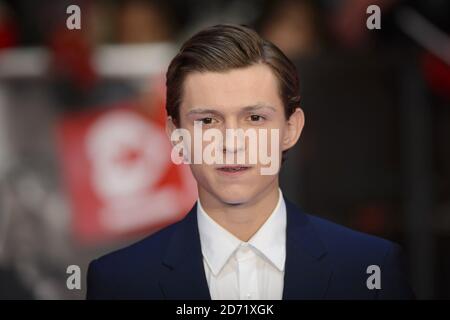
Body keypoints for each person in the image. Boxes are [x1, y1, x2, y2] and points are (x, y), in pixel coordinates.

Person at [86, 24, 414, 300]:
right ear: (176, 135)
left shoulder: (370, 268)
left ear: (291, 129)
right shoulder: (120, 282)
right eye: (208, 121)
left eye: (255, 117)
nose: (231, 143)